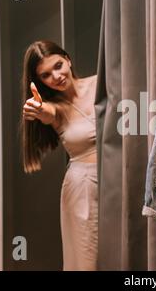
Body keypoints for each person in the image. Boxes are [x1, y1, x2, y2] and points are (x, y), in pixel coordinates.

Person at [21, 40, 98, 271]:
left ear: (68, 59)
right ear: (40, 82)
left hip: (118, 180)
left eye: (58, 66)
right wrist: (38, 109)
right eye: (45, 75)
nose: (55, 76)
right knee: (88, 261)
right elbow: (47, 112)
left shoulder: (99, 84)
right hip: (83, 188)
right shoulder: (55, 107)